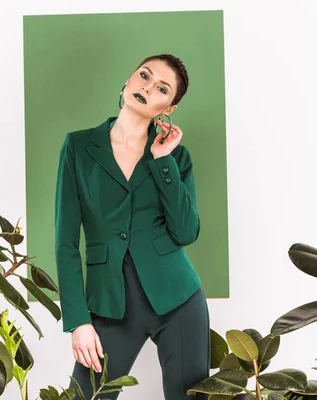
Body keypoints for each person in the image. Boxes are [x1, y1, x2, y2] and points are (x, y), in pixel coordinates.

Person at [54, 54, 210, 400]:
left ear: (167, 108)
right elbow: (65, 242)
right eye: (144, 75)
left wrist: (163, 159)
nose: (147, 87)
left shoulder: (175, 157)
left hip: (179, 300)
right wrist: (78, 321)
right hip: (110, 305)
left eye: (161, 88)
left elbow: (186, 233)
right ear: (128, 79)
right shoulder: (78, 147)